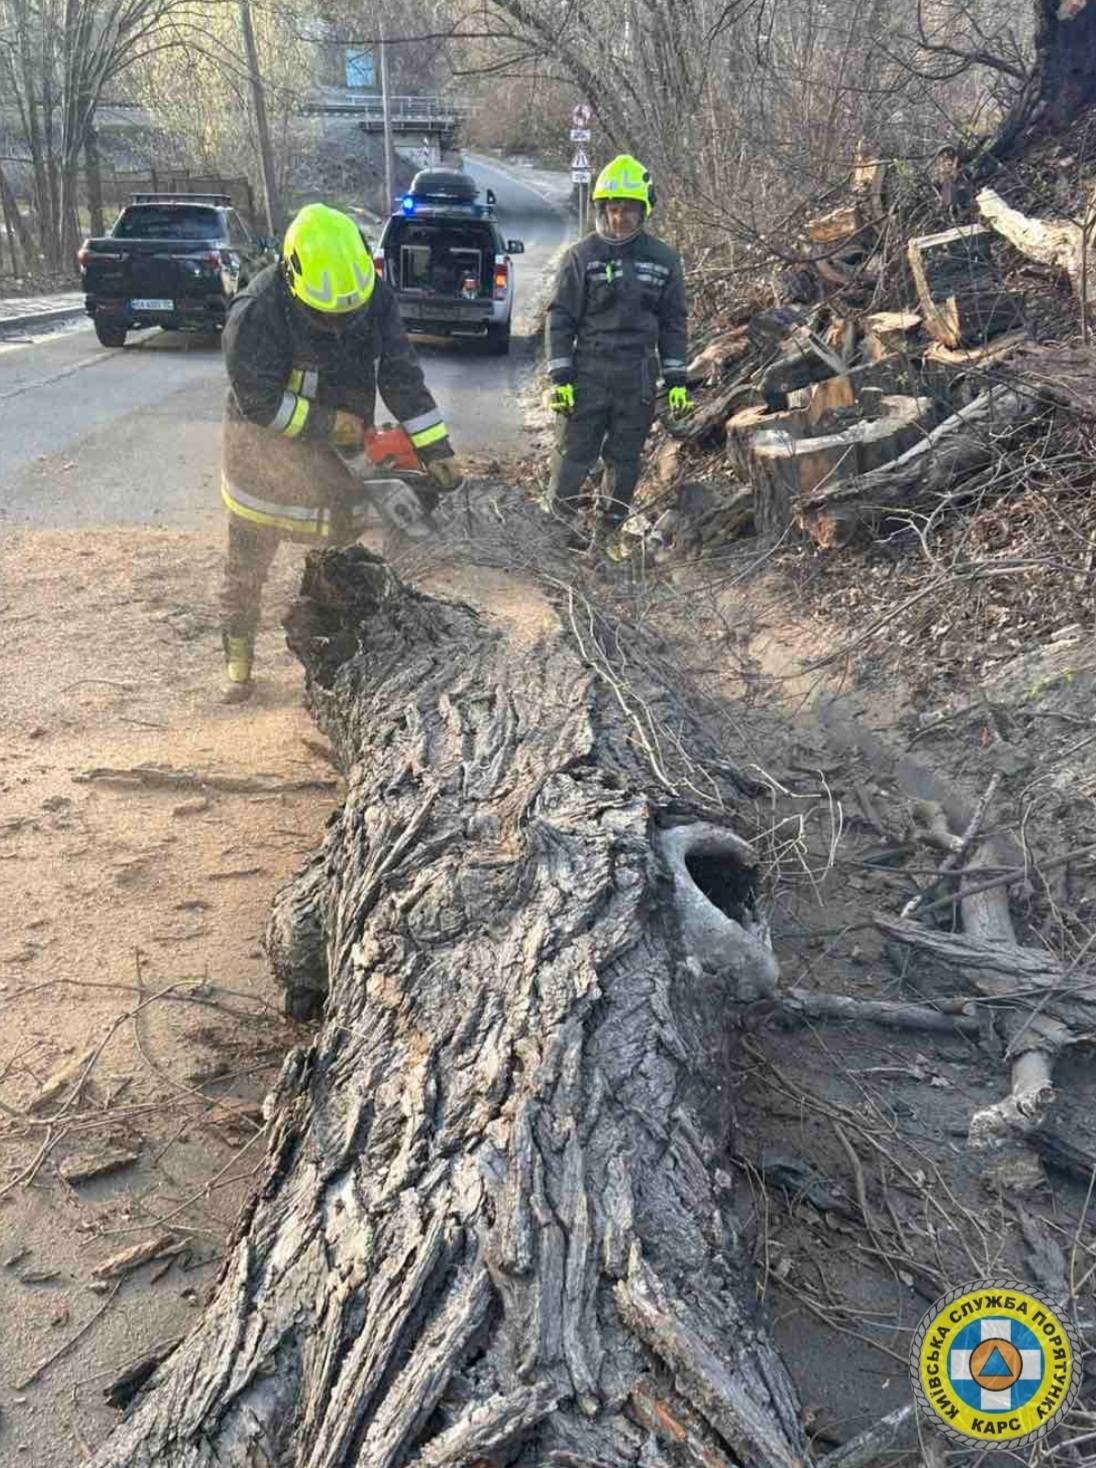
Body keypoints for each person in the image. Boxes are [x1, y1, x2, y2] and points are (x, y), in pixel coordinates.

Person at [219, 201, 462, 701]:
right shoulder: (257, 312)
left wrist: (435, 448)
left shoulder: (371, 295)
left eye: (347, 314)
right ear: (293, 279)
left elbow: (400, 372)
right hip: (262, 453)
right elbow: (258, 402)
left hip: (344, 448)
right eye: (326, 315)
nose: (338, 324)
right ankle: (238, 662)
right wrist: (326, 423)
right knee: (247, 561)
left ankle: (339, 663)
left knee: (340, 558)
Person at [545, 154, 693, 550]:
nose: (619, 218)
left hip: (638, 375)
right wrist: (561, 378)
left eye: (628, 210)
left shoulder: (664, 260)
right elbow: (560, 319)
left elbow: (673, 323)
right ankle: (554, 536)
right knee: (573, 455)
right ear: (602, 210)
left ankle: (603, 538)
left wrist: (677, 380)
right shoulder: (581, 257)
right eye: (613, 209)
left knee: (624, 460)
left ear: (643, 211)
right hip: (588, 372)